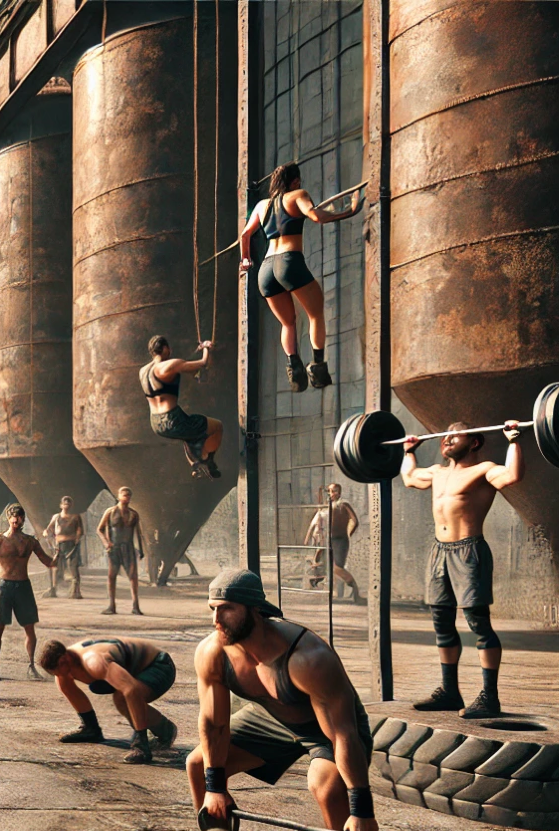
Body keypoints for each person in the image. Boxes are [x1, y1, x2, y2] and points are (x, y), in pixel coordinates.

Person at [174, 569, 379, 831]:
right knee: (198, 765)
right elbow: (214, 723)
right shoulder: (213, 651)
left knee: (326, 786)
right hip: (271, 721)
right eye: (212, 609)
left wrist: (362, 811)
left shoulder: (308, 658)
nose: (217, 620)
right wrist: (216, 786)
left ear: (255, 610)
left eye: (227, 610)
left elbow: (341, 736)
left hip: (328, 731)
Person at [401, 419, 524, 718]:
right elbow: (409, 478)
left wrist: (513, 440)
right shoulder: (437, 473)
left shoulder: (482, 470)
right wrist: (409, 451)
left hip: (469, 551)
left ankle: (489, 698)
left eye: (456, 435)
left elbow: (511, 476)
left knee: (478, 624)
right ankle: (449, 691)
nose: (447, 439)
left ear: (475, 443)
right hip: (438, 552)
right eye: (446, 435)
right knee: (441, 623)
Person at [238, 163, 364, 392]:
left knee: (288, 322)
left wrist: (245, 259)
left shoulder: (261, 206)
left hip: (266, 270)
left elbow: (245, 234)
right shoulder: (298, 195)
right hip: (289, 262)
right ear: (294, 181)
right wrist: (349, 210)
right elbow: (316, 216)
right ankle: (317, 367)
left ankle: (294, 370)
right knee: (315, 313)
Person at [38, 637, 179, 764]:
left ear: (65, 659)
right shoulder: (68, 659)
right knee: (62, 680)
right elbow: (62, 674)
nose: (56, 675)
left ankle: (165, 731)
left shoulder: (94, 662)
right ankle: (90, 728)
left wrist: (139, 741)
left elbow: (131, 689)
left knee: (122, 698)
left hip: (159, 666)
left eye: (57, 669)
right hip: (131, 669)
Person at [0, 504, 54, 681]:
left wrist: (59, 556)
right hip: (3, 585)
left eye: (19, 516)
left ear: (23, 519)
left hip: (23, 586)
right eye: (13, 516)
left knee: (29, 628)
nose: (16, 519)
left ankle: (31, 666)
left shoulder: (30, 541)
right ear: (8, 518)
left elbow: (48, 562)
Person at [142, 335, 225, 479]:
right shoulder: (170, 365)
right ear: (165, 348)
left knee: (188, 433)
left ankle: (196, 463)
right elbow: (203, 363)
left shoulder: (143, 371)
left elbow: (181, 365)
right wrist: (206, 348)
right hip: (173, 419)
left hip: (155, 423)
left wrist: (196, 352)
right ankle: (207, 460)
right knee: (217, 426)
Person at [305, 483, 361, 603]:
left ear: (339, 492)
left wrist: (348, 534)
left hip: (340, 540)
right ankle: (324, 586)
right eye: (329, 491)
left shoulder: (343, 505)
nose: (331, 494)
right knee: (325, 564)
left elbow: (355, 521)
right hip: (329, 540)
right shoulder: (328, 507)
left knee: (337, 568)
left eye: (334, 491)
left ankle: (355, 590)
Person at [98, 488, 146, 616]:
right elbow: (100, 529)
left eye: (129, 495)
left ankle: (136, 606)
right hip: (114, 548)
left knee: (133, 577)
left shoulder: (133, 514)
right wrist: (106, 543)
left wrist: (141, 550)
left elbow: (138, 533)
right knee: (112, 576)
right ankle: (111, 605)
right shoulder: (111, 512)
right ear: (118, 496)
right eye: (124, 495)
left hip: (129, 548)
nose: (126, 497)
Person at [42, 496, 85, 599]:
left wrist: (77, 539)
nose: (66, 505)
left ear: (71, 505)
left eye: (68, 503)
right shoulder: (56, 517)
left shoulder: (75, 517)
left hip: (72, 545)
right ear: (61, 505)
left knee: (73, 567)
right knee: (55, 567)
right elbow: (49, 529)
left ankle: (76, 590)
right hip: (59, 545)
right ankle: (53, 589)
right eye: (64, 503)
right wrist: (47, 534)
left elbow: (80, 530)